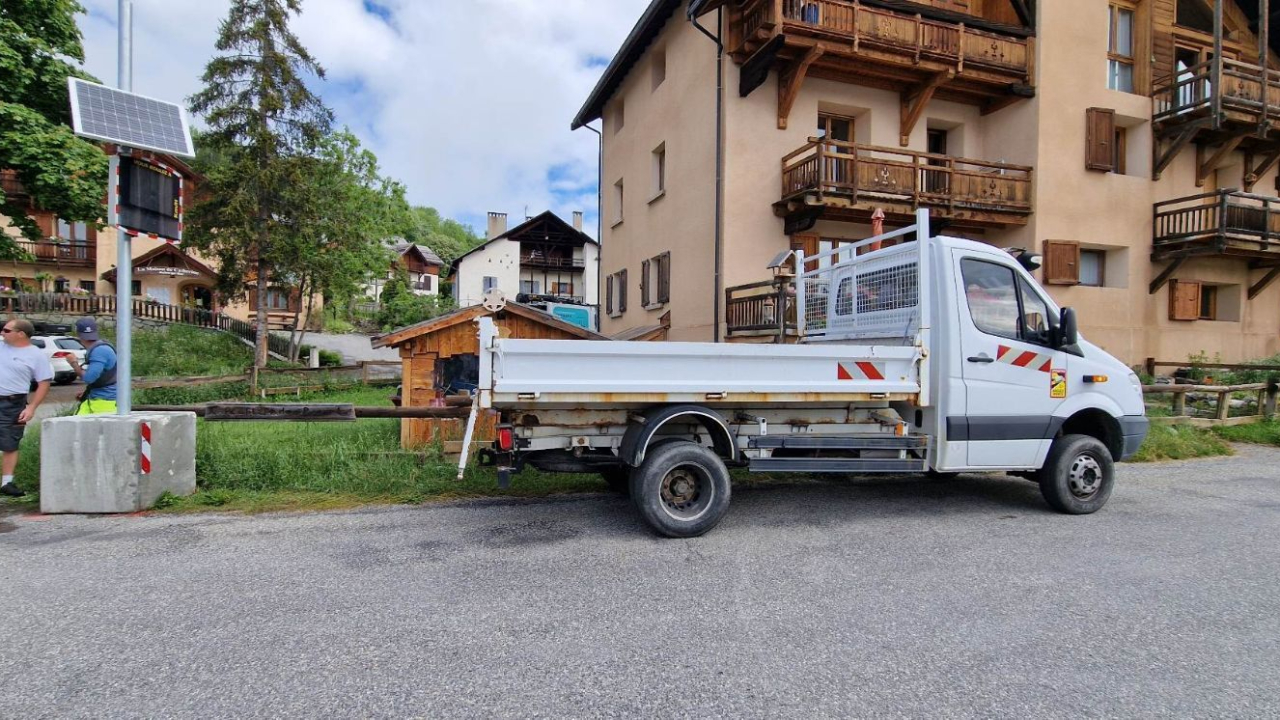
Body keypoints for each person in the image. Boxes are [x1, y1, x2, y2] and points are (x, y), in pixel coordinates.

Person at [0, 319, 52, 497]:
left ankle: (7, 483)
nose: (2, 333)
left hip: (13, 402)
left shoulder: (36, 355)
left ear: (20, 334)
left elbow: (44, 383)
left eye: (6, 330)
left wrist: (31, 408)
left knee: (10, 442)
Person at [67, 318, 118, 415]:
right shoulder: (101, 347)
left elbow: (89, 378)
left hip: (104, 401)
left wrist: (74, 363)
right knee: (76, 422)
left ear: (78, 334)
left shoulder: (99, 351)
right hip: (96, 397)